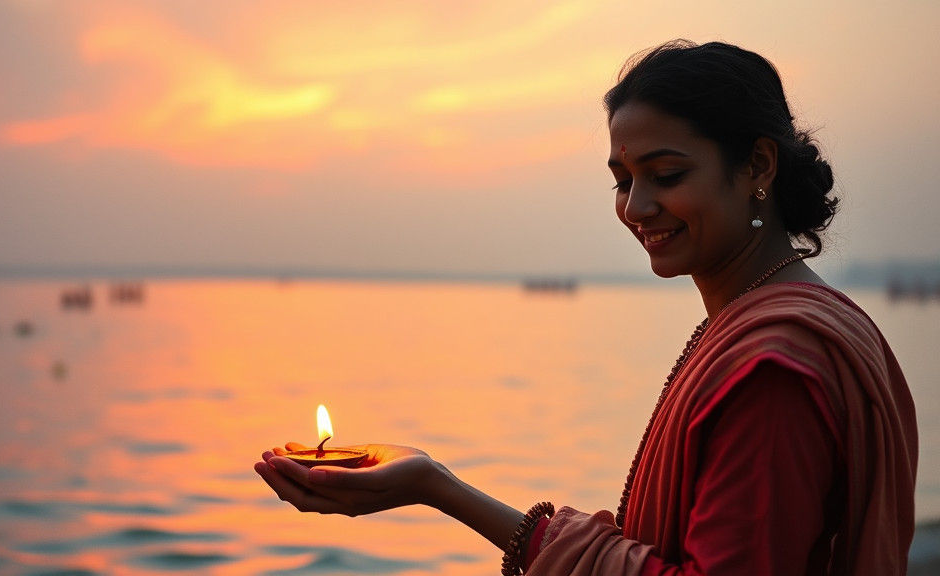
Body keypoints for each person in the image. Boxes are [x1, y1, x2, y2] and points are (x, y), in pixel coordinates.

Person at [254, 40, 918, 575]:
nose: (636, 208)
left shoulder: (774, 370)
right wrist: (437, 481)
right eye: (623, 181)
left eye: (666, 175)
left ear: (758, 167)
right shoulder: (781, 322)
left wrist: (439, 491)